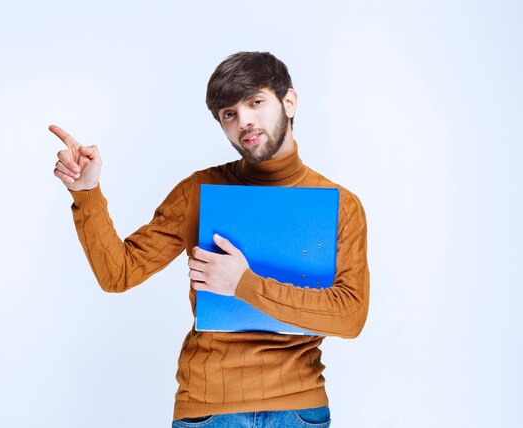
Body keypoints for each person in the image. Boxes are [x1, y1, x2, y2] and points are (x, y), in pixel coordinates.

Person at [51, 51, 369, 428]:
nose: (244, 121)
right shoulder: (198, 191)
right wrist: (87, 193)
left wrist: (242, 284)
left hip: (299, 409)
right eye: (229, 114)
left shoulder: (340, 206)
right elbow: (118, 274)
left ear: (289, 101)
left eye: (255, 102)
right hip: (208, 411)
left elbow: (350, 317)